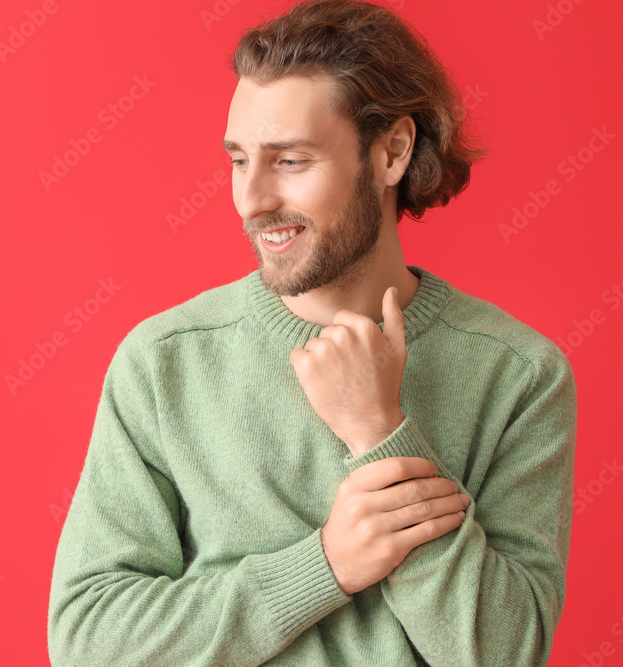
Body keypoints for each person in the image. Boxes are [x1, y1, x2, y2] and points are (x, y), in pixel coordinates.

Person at [47, 1, 577, 665]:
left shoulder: (520, 374)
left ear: (390, 152)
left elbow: (505, 654)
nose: (251, 199)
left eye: (290, 160)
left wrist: (379, 435)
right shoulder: (163, 363)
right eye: (240, 160)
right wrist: (324, 566)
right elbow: (88, 641)